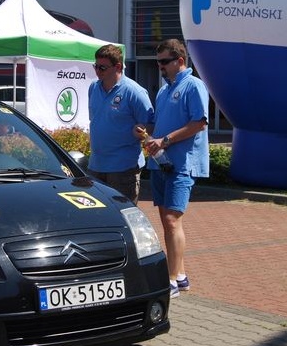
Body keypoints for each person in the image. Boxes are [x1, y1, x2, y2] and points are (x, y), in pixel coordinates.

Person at [136, 38, 209, 299]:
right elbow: (161, 126)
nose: (160, 67)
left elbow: (199, 123)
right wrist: (147, 134)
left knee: (172, 219)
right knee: (167, 222)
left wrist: (164, 140)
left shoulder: (193, 85)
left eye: (164, 62)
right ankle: (180, 275)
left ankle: (171, 279)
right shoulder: (164, 91)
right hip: (161, 164)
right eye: (158, 62)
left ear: (180, 60)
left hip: (182, 163)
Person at [87, 44, 154, 205]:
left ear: (118, 67)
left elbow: (151, 124)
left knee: (123, 214)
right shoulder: (93, 88)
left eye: (102, 67)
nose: (97, 71)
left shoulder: (134, 92)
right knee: (97, 214)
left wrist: (142, 130)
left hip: (123, 168)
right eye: (95, 66)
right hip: (96, 165)